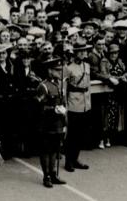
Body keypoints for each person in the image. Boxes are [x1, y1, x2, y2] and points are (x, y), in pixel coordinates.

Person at [36, 55, 66, 188]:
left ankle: (53, 173)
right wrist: (54, 109)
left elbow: (63, 101)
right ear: (50, 71)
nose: (60, 72)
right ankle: (46, 175)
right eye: (57, 70)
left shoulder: (59, 85)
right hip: (46, 123)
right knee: (46, 150)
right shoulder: (43, 86)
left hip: (58, 122)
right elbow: (39, 106)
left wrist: (64, 119)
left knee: (55, 149)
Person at [62, 44, 92, 174]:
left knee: (81, 134)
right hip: (73, 103)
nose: (82, 53)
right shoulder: (68, 68)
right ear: (75, 53)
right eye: (80, 51)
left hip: (85, 103)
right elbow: (64, 89)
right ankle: (69, 160)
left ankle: (76, 159)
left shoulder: (87, 66)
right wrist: (65, 105)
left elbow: (88, 85)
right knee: (72, 135)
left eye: (84, 51)